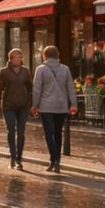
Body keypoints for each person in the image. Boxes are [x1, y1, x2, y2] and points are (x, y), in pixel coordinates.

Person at [31, 45, 78, 173]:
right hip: (61, 106)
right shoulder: (65, 69)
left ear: (45, 55)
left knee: (48, 134)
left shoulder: (40, 69)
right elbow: (71, 88)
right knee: (58, 133)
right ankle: (57, 161)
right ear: (57, 55)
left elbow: (37, 89)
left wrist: (35, 105)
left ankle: (53, 159)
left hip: (46, 106)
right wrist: (73, 104)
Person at [0, 48, 32, 170]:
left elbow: (30, 87)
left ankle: (19, 159)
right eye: (17, 56)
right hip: (9, 105)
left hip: (23, 105)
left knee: (21, 132)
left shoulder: (25, 71)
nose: (19, 59)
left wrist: (32, 103)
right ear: (11, 58)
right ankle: (12, 157)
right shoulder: (4, 71)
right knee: (11, 130)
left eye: (21, 57)